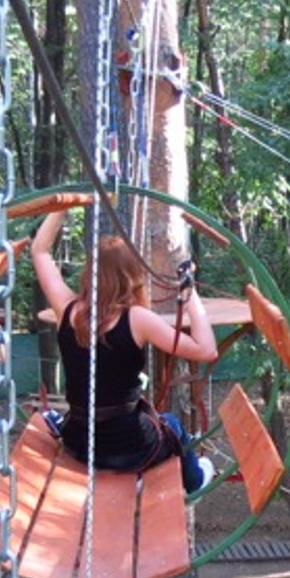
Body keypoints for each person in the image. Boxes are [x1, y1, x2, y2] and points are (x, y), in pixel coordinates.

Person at [29, 210, 218, 492]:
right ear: (132, 277)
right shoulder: (138, 319)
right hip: (127, 446)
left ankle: (136, 474)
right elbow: (206, 350)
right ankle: (194, 481)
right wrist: (191, 298)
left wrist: (61, 209)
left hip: (80, 441)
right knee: (173, 425)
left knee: (153, 420)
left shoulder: (67, 310)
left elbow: (40, 252)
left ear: (90, 274)